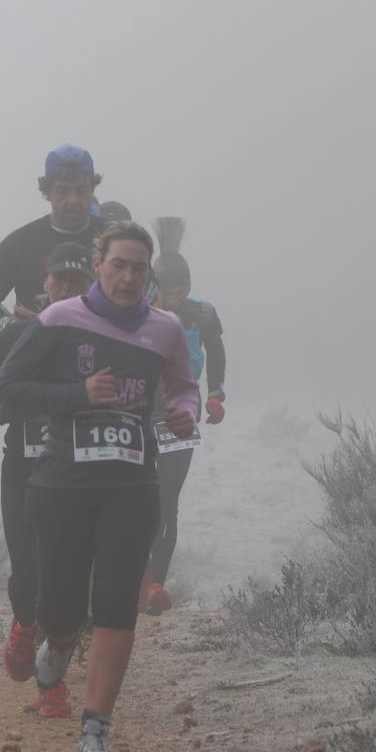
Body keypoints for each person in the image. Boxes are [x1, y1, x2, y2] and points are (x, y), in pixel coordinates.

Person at [0, 221, 198, 752]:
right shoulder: (60, 320)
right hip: (61, 483)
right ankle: (57, 641)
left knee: (114, 603)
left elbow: (182, 386)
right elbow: (7, 391)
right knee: (60, 607)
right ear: (98, 264)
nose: (128, 277)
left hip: (132, 481)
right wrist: (76, 394)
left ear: (149, 273)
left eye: (139, 268)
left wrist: (186, 414)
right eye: (118, 265)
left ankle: (95, 732)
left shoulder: (166, 328)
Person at [0, 242, 94, 718]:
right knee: (27, 566)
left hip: (80, 469)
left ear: (92, 284)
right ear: (45, 285)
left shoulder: (100, 338)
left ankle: (52, 686)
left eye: (77, 281)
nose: (67, 288)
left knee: (69, 577)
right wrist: (0, 407)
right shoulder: (16, 335)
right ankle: (24, 626)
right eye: (59, 280)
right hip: (24, 466)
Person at [142, 217, 228, 614]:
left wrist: (215, 394)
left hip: (181, 417)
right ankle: (134, 575)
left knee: (167, 501)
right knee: (137, 497)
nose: (176, 299)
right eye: (169, 292)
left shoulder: (203, 314)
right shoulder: (137, 313)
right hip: (138, 418)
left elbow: (216, 353)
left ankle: (155, 582)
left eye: (183, 291)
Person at [0, 144, 108, 331]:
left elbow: (144, 288)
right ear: (47, 192)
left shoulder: (112, 239)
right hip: (36, 352)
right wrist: (10, 328)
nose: (73, 199)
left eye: (81, 190)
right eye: (62, 191)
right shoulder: (19, 243)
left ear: (92, 189)